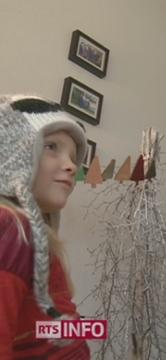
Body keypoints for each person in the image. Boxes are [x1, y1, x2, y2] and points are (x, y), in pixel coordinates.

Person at [0, 95, 91, 358]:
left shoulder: (32, 239)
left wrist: (90, 328)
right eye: (51, 146)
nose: (72, 166)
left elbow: (37, 327)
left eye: (75, 157)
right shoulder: (11, 229)